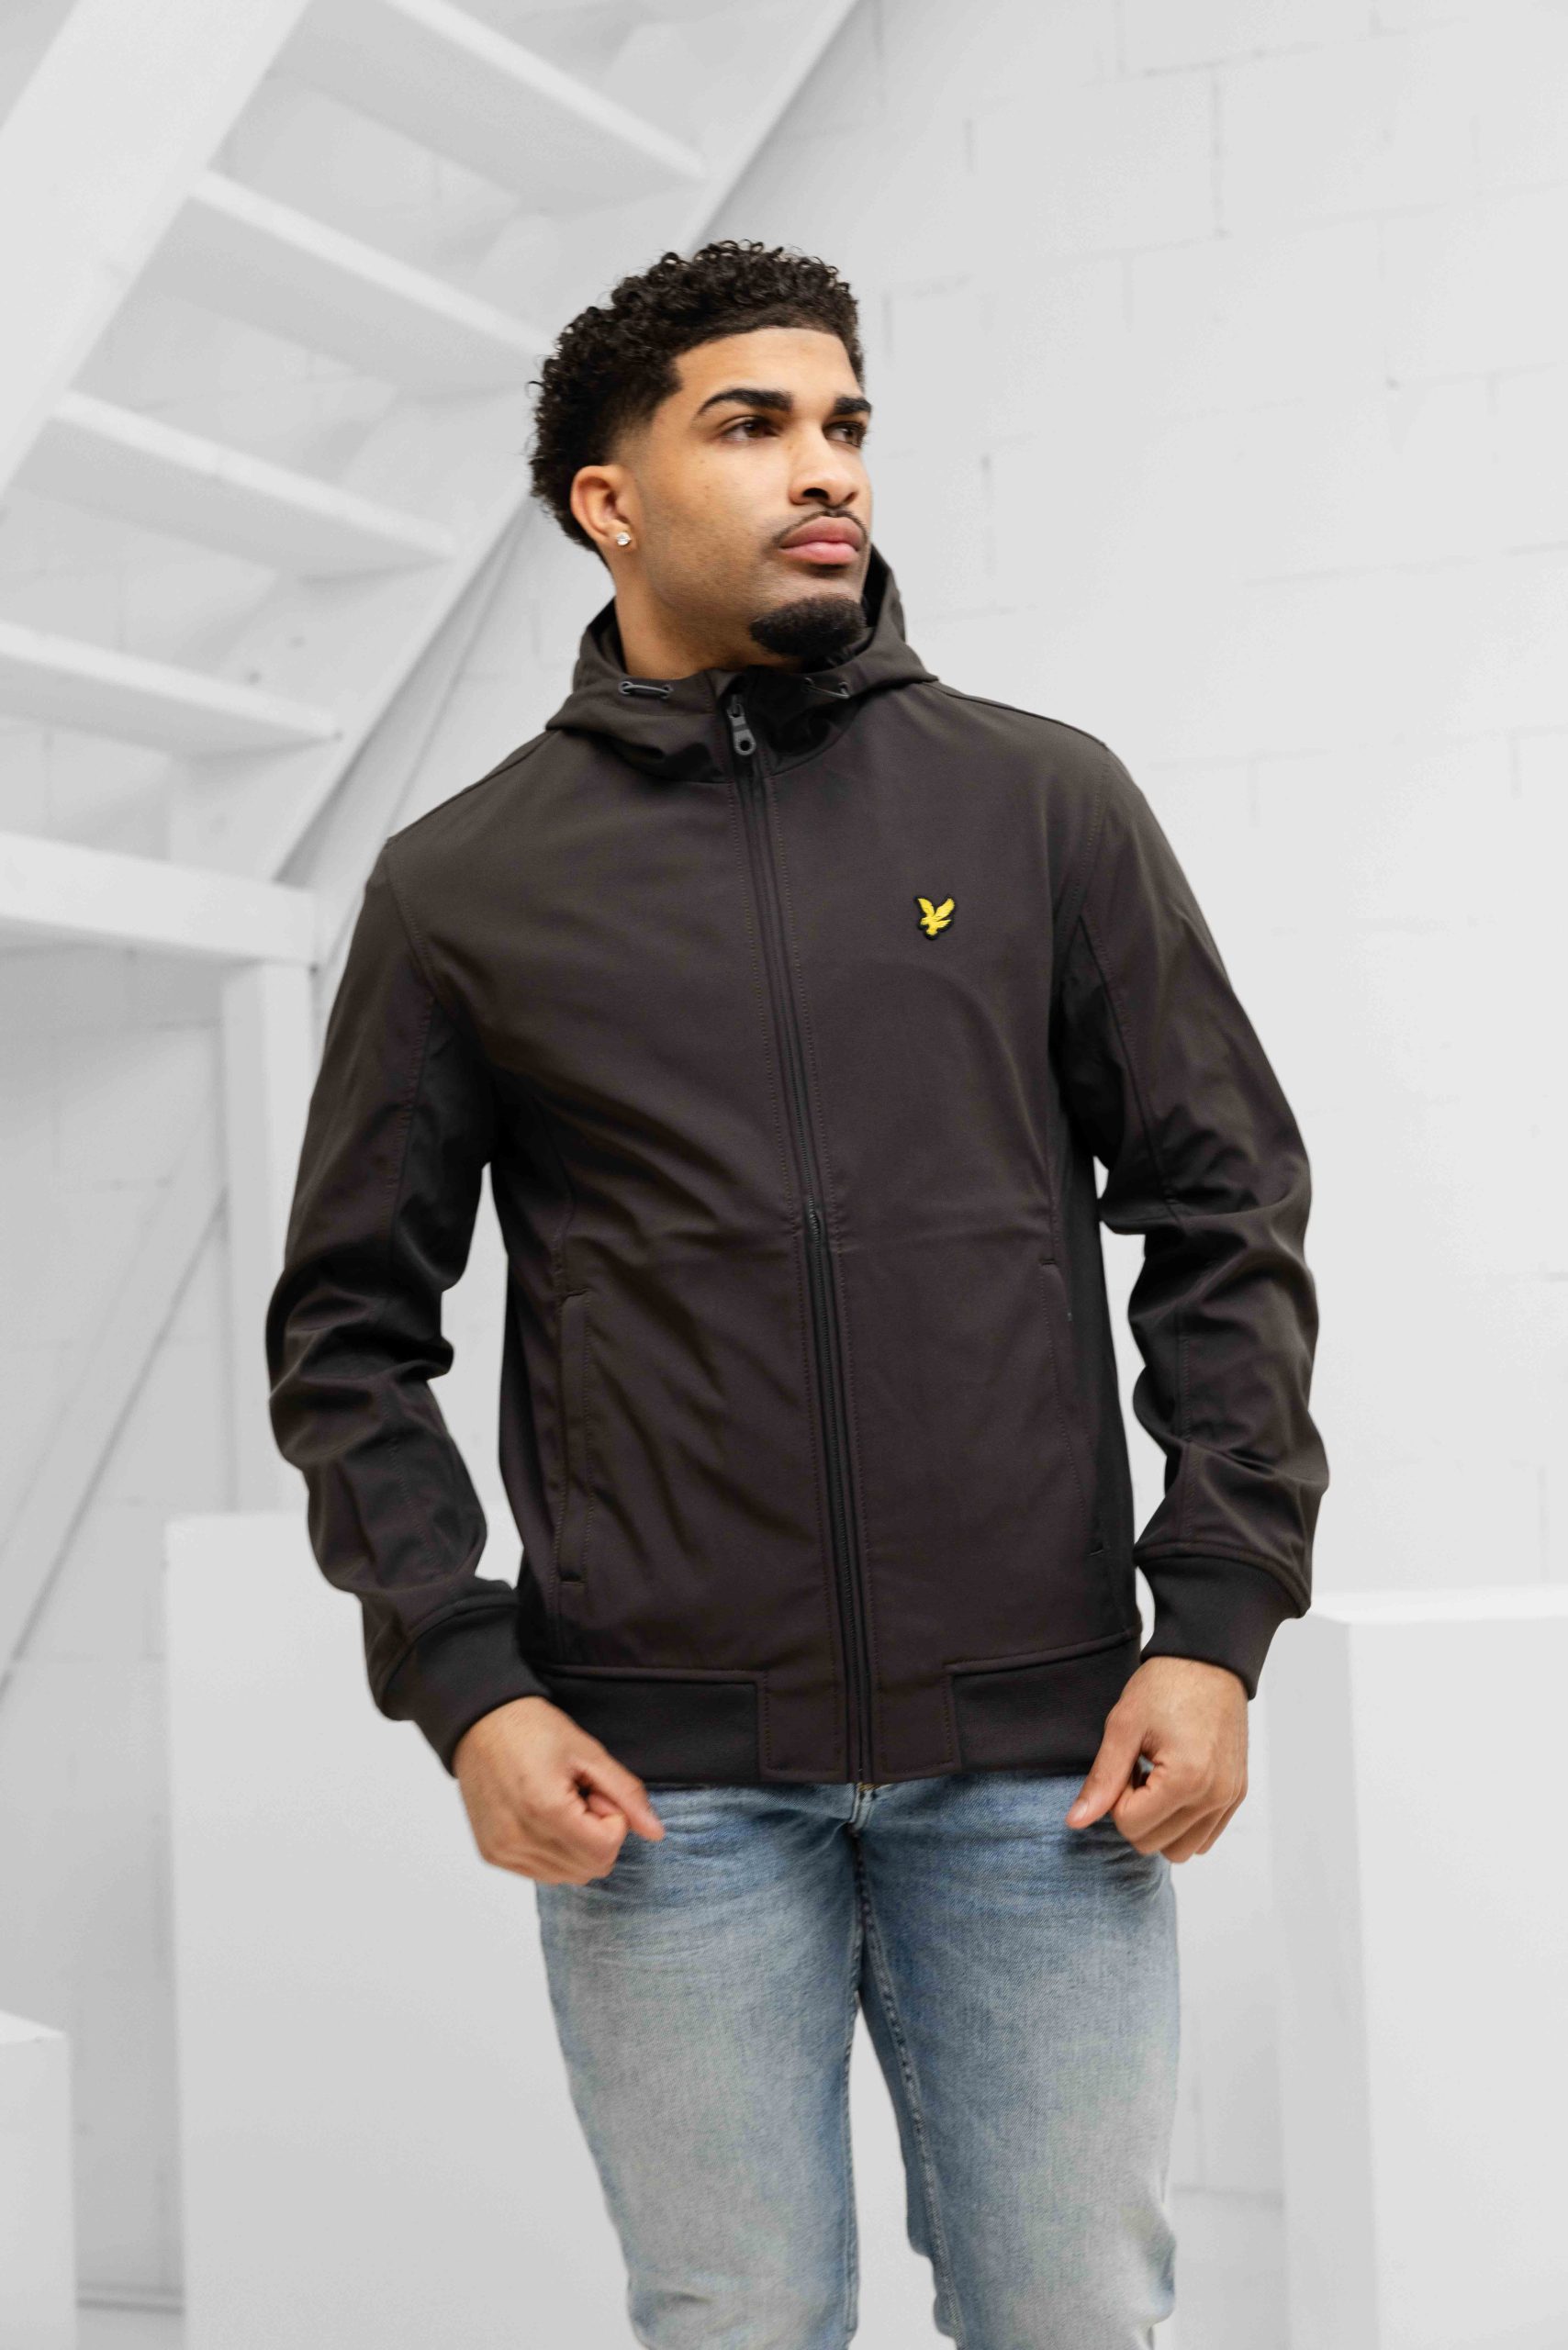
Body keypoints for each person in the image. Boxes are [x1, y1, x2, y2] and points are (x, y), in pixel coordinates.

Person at [266, 238, 1328, 2349]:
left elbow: (1222, 1207)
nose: (823, 466)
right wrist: (467, 1679)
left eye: (843, 422)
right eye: (748, 426)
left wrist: (1214, 1614)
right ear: (608, 498)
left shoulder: (1035, 805)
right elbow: (348, 1332)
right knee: (732, 2317)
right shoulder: (464, 883)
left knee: (1071, 2311)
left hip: (1040, 1761)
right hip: (662, 1786)